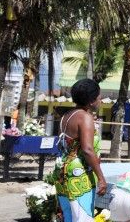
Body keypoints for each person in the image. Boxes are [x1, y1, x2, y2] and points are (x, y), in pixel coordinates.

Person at [48, 78, 108, 222]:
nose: (100, 100)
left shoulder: (66, 117)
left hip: (62, 172)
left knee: (68, 216)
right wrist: (101, 178)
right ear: (91, 100)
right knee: (83, 217)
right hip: (79, 175)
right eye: (99, 96)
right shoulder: (85, 117)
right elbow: (87, 149)